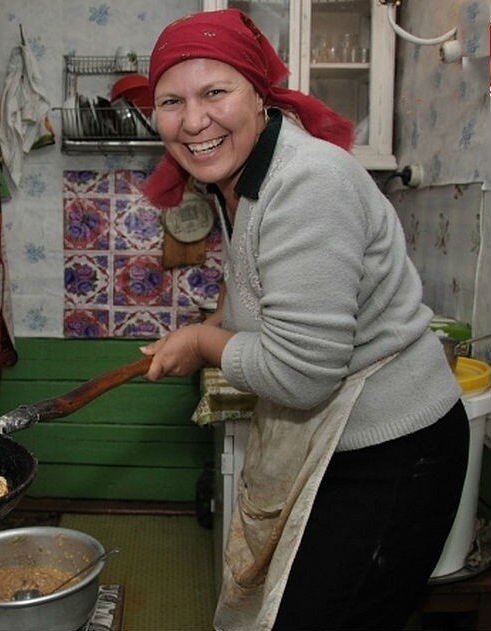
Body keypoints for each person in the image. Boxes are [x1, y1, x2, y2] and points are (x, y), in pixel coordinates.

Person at [138, 9, 469, 631]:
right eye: (170, 101)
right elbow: (260, 297)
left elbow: (301, 374)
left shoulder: (308, 181)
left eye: (215, 92)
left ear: (259, 95)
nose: (193, 120)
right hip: (343, 443)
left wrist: (205, 341)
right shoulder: (239, 179)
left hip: (394, 452)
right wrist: (210, 325)